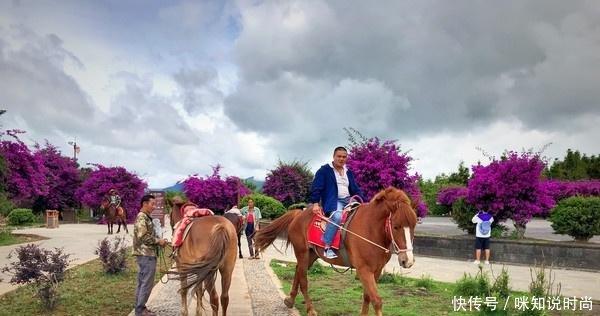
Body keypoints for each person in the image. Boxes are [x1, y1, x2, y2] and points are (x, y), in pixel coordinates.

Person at [310, 146, 364, 259]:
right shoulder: (324, 171)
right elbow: (316, 187)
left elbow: (355, 189)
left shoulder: (349, 172)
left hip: (349, 200)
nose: (341, 159)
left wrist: (364, 201)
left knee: (363, 217)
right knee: (338, 217)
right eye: (339, 156)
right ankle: (327, 247)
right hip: (334, 201)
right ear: (333, 156)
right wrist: (315, 203)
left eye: (344, 157)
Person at [133, 194, 168, 316]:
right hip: (146, 255)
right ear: (144, 204)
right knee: (146, 283)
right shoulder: (142, 218)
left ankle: (140, 307)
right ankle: (141, 310)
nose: (154, 207)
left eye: (155, 204)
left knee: (142, 282)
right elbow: (143, 237)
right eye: (152, 204)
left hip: (146, 254)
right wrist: (159, 241)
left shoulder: (146, 217)